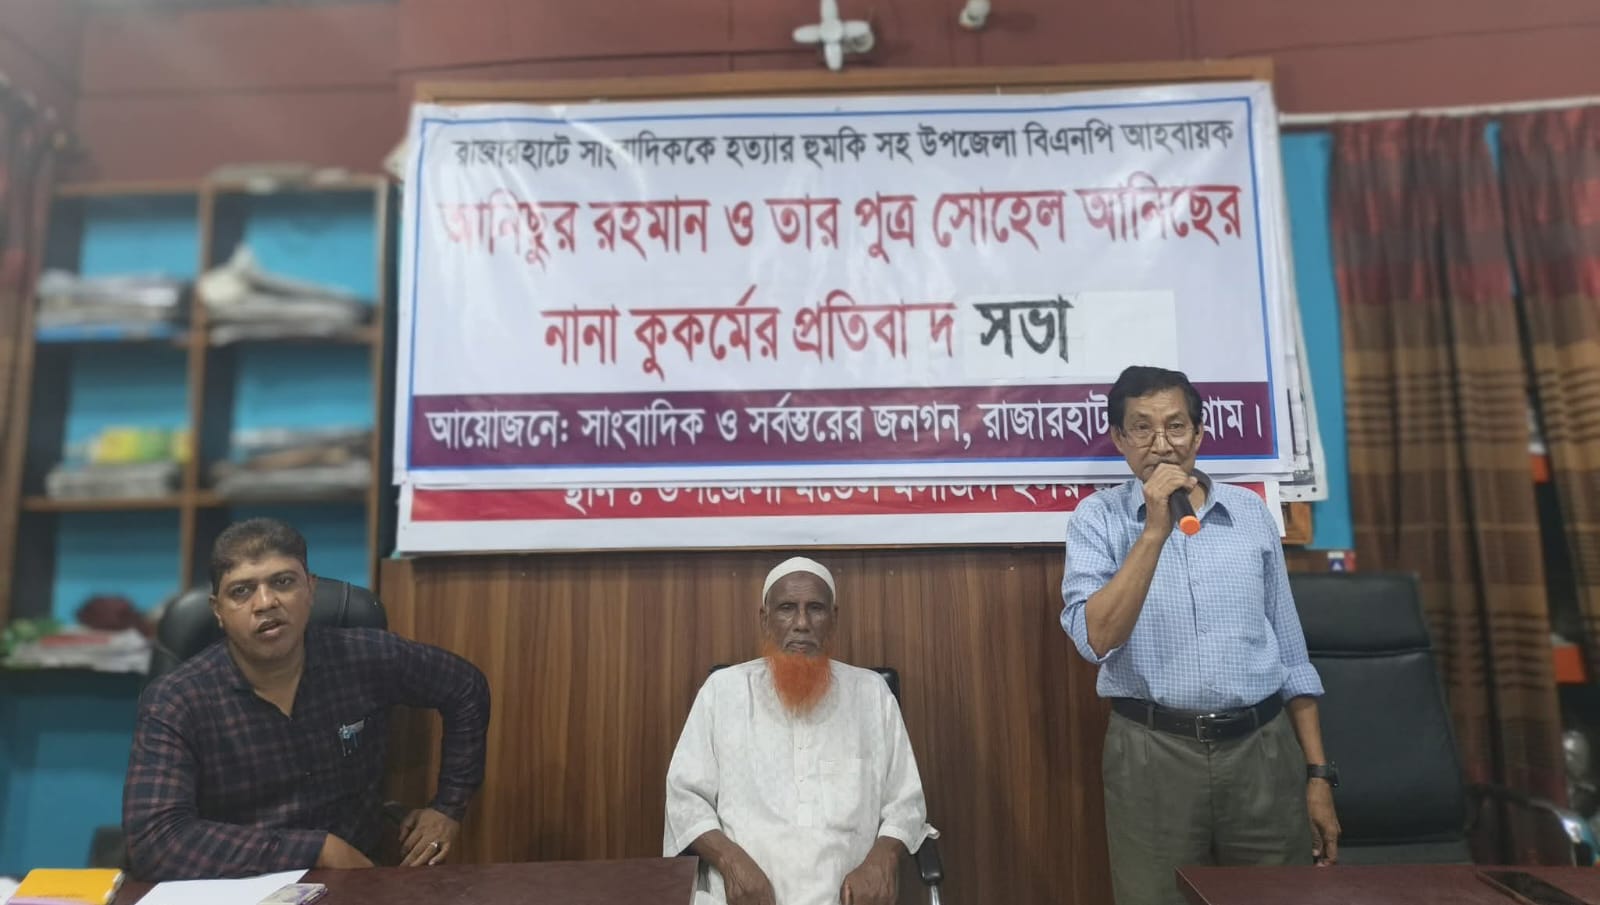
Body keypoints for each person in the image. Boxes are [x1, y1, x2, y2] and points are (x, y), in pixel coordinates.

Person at [1060, 366, 1341, 905]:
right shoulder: (1097, 520)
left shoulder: (1250, 513)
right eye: (1141, 428)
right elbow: (1096, 639)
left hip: (1262, 751)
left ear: (1199, 434)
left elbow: (1292, 656)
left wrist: (1318, 775)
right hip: (1153, 754)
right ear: (1119, 439)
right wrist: (1154, 529)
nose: (1161, 444)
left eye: (1175, 426)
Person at [122, 518, 491, 881]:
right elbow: (155, 841)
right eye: (242, 591)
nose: (265, 602)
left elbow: (465, 686)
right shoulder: (176, 700)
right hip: (237, 886)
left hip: (354, 882)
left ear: (310, 589)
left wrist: (448, 807)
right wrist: (318, 850)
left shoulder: (364, 657)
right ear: (218, 610)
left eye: (283, 582)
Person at [663, 557, 934, 905]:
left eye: (815, 609)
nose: (802, 623)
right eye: (787, 608)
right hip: (742, 897)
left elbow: (906, 801)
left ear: (833, 618)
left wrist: (884, 856)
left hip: (845, 897)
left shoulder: (871, 694)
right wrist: (730, 862)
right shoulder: (723, 692)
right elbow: (685, 797)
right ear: (765, 619)